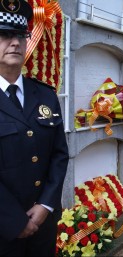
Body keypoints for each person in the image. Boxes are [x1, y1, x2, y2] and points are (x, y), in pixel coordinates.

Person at [0, 1, 69, 256]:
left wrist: (46, 205)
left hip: (44, 224)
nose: (15, 42)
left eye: (20, 34)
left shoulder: (45, 95)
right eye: (4, 35)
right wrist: (15, 222)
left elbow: (59, 155)